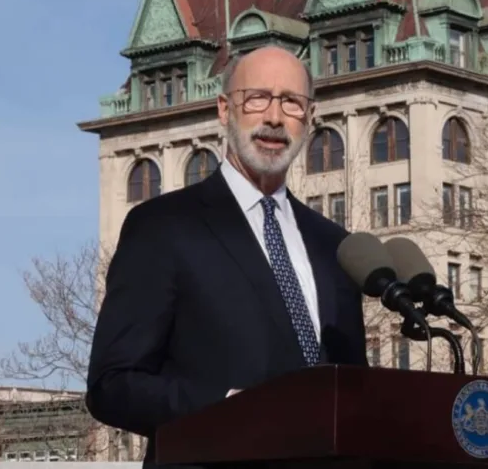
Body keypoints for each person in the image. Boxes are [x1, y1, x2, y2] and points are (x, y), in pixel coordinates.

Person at [85, 46, 367, 467]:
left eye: (291, 102)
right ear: (224, 109)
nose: (274, 116)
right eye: (257, 97)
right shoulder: (163, 226)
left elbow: (352, 387)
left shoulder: (336, 246)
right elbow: (112, 385)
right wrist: (225, 407)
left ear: (310, 117)